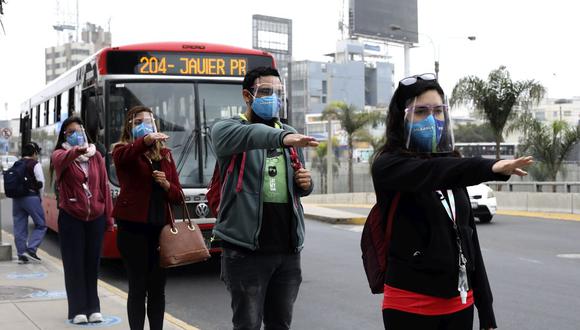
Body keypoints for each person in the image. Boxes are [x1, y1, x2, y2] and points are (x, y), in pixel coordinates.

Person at [371, 73, 533, 330]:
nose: (432, 120)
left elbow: (470, 240)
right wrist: (492, 167)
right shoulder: (389, 166)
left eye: (438, 111)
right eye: (421, 112)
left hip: (460, 304)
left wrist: (486, 309)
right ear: (401, 119)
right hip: (410, 306)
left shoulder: (451, 165)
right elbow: (435, 172)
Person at [211, 66, 318, 330]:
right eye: (266, 91)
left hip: (287, 250)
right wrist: (284, 137)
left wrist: (306, 184)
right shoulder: (228, 130)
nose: (274, 98)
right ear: (248, 96)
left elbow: (298, 184)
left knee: (280, 324)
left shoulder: (290, 134)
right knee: (247, 325)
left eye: (277, 92)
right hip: (246, 251)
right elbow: (253, 135)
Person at [112, 105, 182, 330]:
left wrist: (166, 184)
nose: (145, 124)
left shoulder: (166, 155)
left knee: (157, 289)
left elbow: (178, 195)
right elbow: (125, 158)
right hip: (133, 230)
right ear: (129, 126)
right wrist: (146, 140)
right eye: (138, 121)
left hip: (160, 231)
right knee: (138, 287)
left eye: (149, 120)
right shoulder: (122, 150)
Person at [51, 116, 114, 324]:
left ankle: (93, 308)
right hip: (71, 217)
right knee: (74, 265)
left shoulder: (96, 157)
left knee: (91, 264)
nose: (76, 134)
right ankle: (77, 309)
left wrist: (108, 217)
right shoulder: (60, 155)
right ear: (64, 136)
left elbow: (104, 186)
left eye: (79, 130)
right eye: (70, 132)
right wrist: (78, 149)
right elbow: (63, 159)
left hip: (95, 217)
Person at [11, 141, 46, 264]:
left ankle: (21, 255)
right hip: (31, 197)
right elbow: (41, 182)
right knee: (41, 224)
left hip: (17, 199)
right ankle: (31, 249)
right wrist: (40, 198)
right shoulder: (35, 164)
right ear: (34, 153)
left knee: (19, 226)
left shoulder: (16, 164)